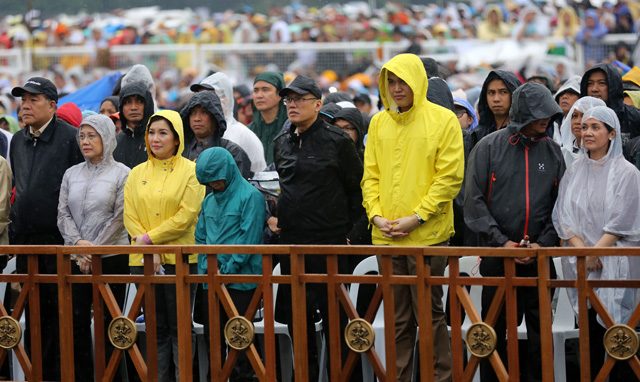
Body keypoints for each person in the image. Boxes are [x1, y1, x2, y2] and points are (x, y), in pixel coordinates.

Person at [362, 53, 464, 382]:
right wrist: (376, 217)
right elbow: (370, 177)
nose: (396, 88)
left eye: (402, 81)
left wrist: (417, 218)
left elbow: (449, 178)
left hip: (428, 235)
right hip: (386, 235)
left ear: (418, 80)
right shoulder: (378, 122)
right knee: (396, 318)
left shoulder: (443, 120)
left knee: (430, 314)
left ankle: (440, 378)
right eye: (390, 81)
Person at [464, 82, 564, 382]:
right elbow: (473, 202)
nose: (545, 119)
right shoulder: (488, 147)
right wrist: (502, 242)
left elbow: (561, 206)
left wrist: (542, 243)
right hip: (498, 258)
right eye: (538, 113)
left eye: (549, 113)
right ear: (522, 113)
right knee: (493, 333)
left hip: (539, 259)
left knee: (540, 335)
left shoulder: (553, 151)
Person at [273, 75, 363, 381]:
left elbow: (357, 192)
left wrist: (351, 236)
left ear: (318, 103)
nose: (293, 104)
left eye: (300, 98)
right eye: (289, 99)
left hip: (330, 246)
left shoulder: (337, 142)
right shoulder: (281, 143)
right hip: (293, 246)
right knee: (297, 325)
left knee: (337, 325)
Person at [552, 105, 640, 381]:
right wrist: (584, 252)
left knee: (618, 337)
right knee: (587, 335)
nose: (587, 132)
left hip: (616, 263)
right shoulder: (575, 170)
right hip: (582, 264)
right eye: (585, 127)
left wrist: (596, 251)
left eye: (596, 127)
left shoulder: (627, 173)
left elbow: (622, 220)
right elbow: (563, 215)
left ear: (612, 133)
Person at [9, 76, 84, 380]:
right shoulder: (17, 140)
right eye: (23, 100)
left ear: (52, 105)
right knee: (35, 320)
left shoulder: (71, 137)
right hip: (28, 245)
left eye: (33, 99)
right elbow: (20, 191)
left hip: (61, 245)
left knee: (64, 321)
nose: (25, 106)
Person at [123, 109, 205, 381]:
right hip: (143, 261)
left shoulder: (192, 171)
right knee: (155, 328)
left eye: (163, 133)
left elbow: (187, 215)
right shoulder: (136, 173)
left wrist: (150, 240)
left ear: (177, 138)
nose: (155, 139)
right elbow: (130, 215)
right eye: (152, 132)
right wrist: (148, 248)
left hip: (181, 260)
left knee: (180, 328)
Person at [57, 114, 130, 381]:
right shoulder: (71, 173)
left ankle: (111, 377)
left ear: (107, 138)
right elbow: (62, 214)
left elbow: (120, 218)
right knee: (75, 325)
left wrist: (94, 250)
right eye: (82, 136)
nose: (85, 142)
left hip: (111, 258)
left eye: (92, 136)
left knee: (111, 326)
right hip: (76, 259)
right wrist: (78, 244)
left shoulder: (123, 173)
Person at [194, 147, 265, 381]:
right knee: (212, 340)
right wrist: (206, 268)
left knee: (241, 341)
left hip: (242, 284)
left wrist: (227, 270)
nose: (214, 186)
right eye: (209, 183)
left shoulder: (251, 197)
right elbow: (200, 236)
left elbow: (248, 240)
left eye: (217, 181)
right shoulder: (209, 201)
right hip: (210, 280)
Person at [190, 72, 266, 174]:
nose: (202, 102)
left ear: (225, 99)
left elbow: (259, 176)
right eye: (199, 96)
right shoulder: (193, 134)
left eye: (208, 97)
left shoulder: (242, 135)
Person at [180, 91, 252, 178]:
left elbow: (238, 188)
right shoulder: (181, 151)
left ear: (215, 116)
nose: (197, 118)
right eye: (193, 113)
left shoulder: (233, 152)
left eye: (204, 112)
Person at [580, 63, 640, 152]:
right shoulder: (579, 116)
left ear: (613, 86)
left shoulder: (633, 117)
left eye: (601, 83)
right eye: (590, 84)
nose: (594, 89)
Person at [468, 70, 522, 151]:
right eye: (491, 93)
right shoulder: (477, 135)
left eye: (503, 92)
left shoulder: (524, 134)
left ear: (514, 94)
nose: (496, 99)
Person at [248, 71, 288, 166]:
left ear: (279, 95)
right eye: (256, 90)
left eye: (265, 90)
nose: (259, 95)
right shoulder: (249, 132)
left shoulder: (291, 129)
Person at [114, 81, 155, 168]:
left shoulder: (157, 139)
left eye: (139, 102)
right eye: (128, 102)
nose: (133, 107)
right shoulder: (115, 142)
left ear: (147, 105)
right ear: (121, 107)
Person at [558, 96, 606, 167]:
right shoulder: (562, 154)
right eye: (574, 116)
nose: (577, 121)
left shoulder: (606, 157)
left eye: (584, 115)